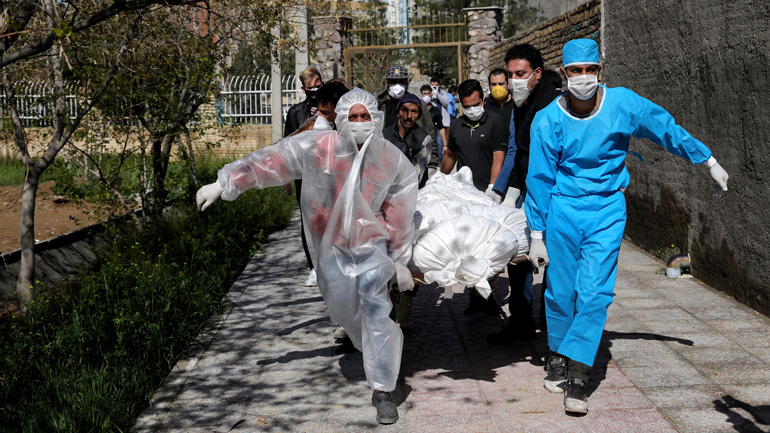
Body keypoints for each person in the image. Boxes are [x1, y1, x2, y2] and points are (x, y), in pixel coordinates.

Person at [525, 38, 729, 414]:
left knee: (595, 293)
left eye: (590, 70)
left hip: (606, 208)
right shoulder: (548, 119)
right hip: (563, 210)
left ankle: (578, 375)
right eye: (575, 71)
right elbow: (539, 177)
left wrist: (706, 158)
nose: (583, 77)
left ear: (600, 71)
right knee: (559, 291)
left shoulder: (623, 104)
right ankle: (557, 353)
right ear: (564, 75)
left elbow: (664, 127)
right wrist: (536, 234)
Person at [196, 88, 419, 424]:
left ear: (375, 117)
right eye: (354, 116)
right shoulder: (320, 147)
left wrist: (400, 260)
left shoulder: (389, 157)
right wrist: (225, 183)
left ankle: (383, 388)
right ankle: (369, 346)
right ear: (341, 118)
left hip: (371, 246)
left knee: (377, 309)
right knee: (343, 309)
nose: (360, 123)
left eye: (365, 116)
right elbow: (272, 160)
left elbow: (401, 204)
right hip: (330, 248)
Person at [486, 43, 562, 345]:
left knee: (554, 257)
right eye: (511, 74)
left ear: (537, 73)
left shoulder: (555, 105)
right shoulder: (521, 103)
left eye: (521, 73)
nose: (515, 79)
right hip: (527, 191)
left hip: (556, 193)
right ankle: (520, 321)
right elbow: (517, 151)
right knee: (518, 255)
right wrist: (502, 192)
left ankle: (550, 320)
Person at [440, 79, 508, 315]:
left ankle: (487, 293)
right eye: (467, 106)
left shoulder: (497, 122)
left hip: (492, 194)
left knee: (490, 247)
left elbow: (499, 156)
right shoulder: (457, 126)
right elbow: (451, 155)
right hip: (466, 196)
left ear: (484, 100)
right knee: (470, 247)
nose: (472, 110)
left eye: (476, 104)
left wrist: (493, 188)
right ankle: (476, 297)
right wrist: (438, 179)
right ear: (460, 104)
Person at [284, 66, 324, 287]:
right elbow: (286, 146)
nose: (316, 90)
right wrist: (286, 178)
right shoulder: (295, 113)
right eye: (311, 88)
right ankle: (314, 267)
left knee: (331, 218)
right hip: (304, 175)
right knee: (308, 221)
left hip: (329, 172)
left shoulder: (331, 108)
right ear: (303, 89)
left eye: (319, 85)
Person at [377, 65, 436, 142]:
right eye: (393, 82)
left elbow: (430, 133)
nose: (397, 86)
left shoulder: (419, 104)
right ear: (387, 83)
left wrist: (431, 153)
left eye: (401, 82)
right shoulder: (377, 104)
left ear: (407, 83)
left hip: (412, 152)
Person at [420, 84, 448, 162]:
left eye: (428, 93)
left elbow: (441, 127)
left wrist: (445, 144)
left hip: (432, 142)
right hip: (419, 142)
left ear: (431, 95)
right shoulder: (416, 108)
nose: (426, 96)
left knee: (432, 164)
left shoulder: (435, 110)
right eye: (424, 94)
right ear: (420, 95)